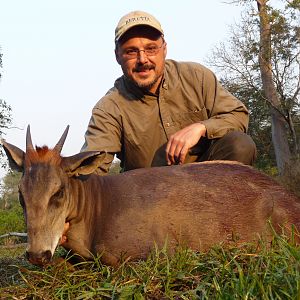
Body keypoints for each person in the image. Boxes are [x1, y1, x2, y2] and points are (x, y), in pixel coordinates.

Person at [81, 10, 256, 175]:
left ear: (164, 49)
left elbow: (238, 116)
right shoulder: (109, 108)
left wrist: (202, 128)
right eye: (131, 51)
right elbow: (90, 170)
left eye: (151, 49)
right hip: (150, 196)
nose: (143, 59)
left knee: (240, 145)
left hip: (208, 185)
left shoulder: (196, 77)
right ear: (117, 56)